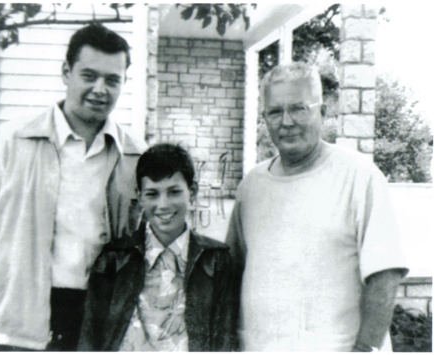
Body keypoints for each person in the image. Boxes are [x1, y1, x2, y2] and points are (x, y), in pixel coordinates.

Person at [0, 23, 147, 351]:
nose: (100, 89)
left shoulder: (135, 157)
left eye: (112, 80)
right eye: (89, 75)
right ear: (65, 72)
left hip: (96, 331)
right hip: (13, 332)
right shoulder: (11, 143)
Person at [226, 62, 409, 352]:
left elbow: (384, 276)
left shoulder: (359, 177)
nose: (286, 122)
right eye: (275, 112)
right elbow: (231, 270)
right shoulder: (252, 186)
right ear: (264, 118)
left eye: (299, 108)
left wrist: (364, 350)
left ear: (322, 112)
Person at [77, 143, 239, 351]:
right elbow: (90, 337)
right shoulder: (114, 259)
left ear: (193, 191)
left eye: (174, 192)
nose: (163, 205)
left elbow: (223, 339)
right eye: (152, 194)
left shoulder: (215, 260)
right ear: (140, 195)